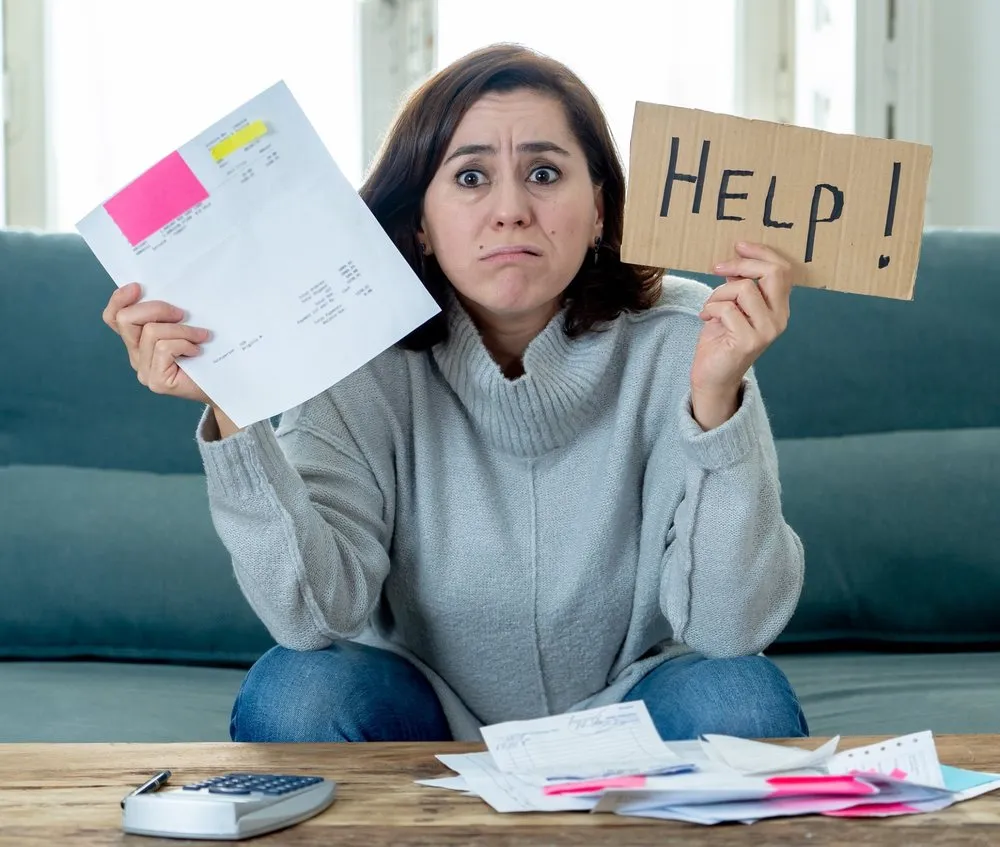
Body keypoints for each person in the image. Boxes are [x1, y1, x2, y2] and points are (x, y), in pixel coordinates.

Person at [102, 44, 808, 744]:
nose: (510, 210)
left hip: (631, 704)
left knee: (743, 700)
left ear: (598, 209)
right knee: (297, 694)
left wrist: (718, 398)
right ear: (420, 224)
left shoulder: (693, 334)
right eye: (470, 176)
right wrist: (235, 404)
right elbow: (315, 617)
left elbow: (731, 625)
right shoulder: (357, 351)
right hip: (423, 714)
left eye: (543, 172)